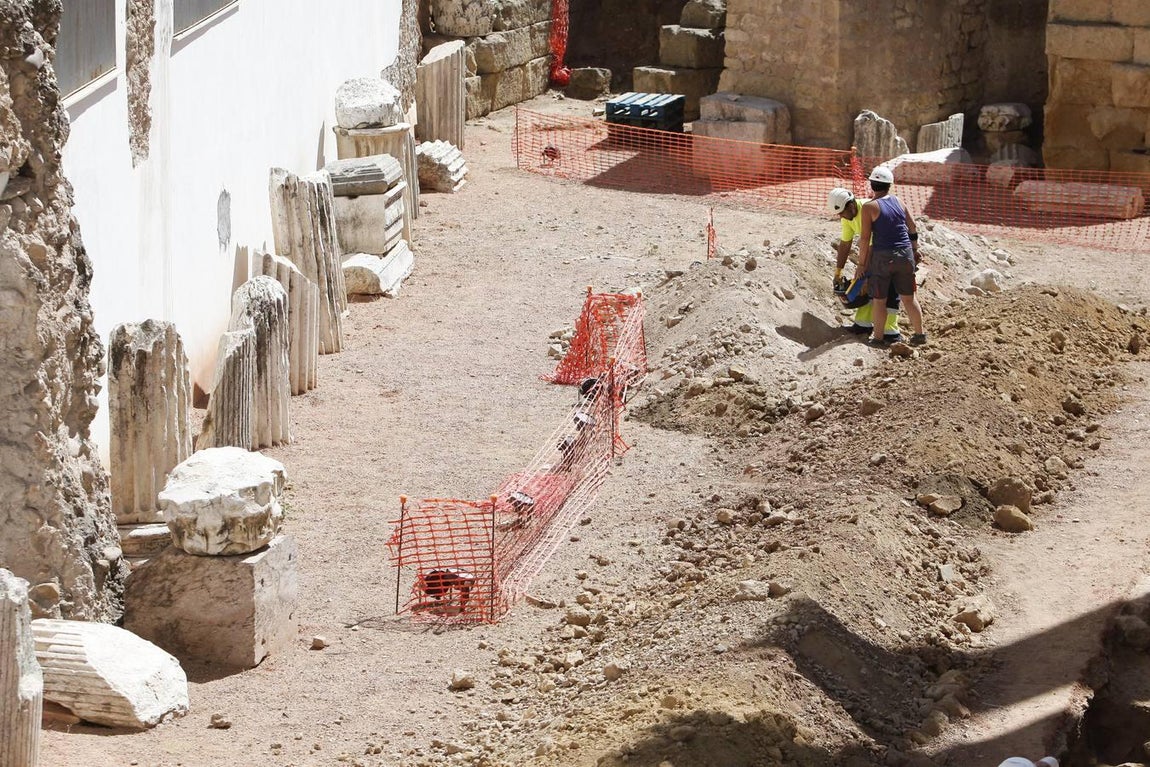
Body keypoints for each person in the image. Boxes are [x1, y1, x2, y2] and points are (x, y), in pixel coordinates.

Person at [855, 166, 926, 347]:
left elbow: (864, 239)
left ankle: (878, 339)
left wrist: (862, 265)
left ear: (872, 185)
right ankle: (920, 335)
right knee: (909, 298)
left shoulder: (869, 207)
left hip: (883, 257)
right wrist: (915, 249)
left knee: (880, 300)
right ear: (889, 185)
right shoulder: (899, 202)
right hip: (905, 254)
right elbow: (913, 227)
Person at [827, 187, 901, 340]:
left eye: (842, 212)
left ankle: (891, 333)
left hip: (894, 251)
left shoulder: (869, 210)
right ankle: (863, 325)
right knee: (863, 286)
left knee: (888, 290)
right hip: (878, 251)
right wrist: (838, 272)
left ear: (852, 206)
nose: (841, 216)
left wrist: (866, 274)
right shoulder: (848, 217)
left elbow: (873, 246)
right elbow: (846, 243)